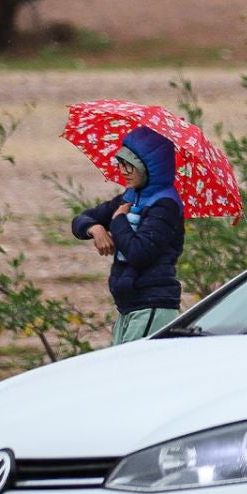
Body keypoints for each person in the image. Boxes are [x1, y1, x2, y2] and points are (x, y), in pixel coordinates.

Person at [71, 127, 186, 344]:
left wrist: (117, 221)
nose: (123, 170)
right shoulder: (130, 198)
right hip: (129, 307)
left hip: (152, 307)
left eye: (130, 164)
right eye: (120, 163)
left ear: (150, 167)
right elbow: (82, 219)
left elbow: (139, 253)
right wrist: (95, 229)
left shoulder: (165, 205)